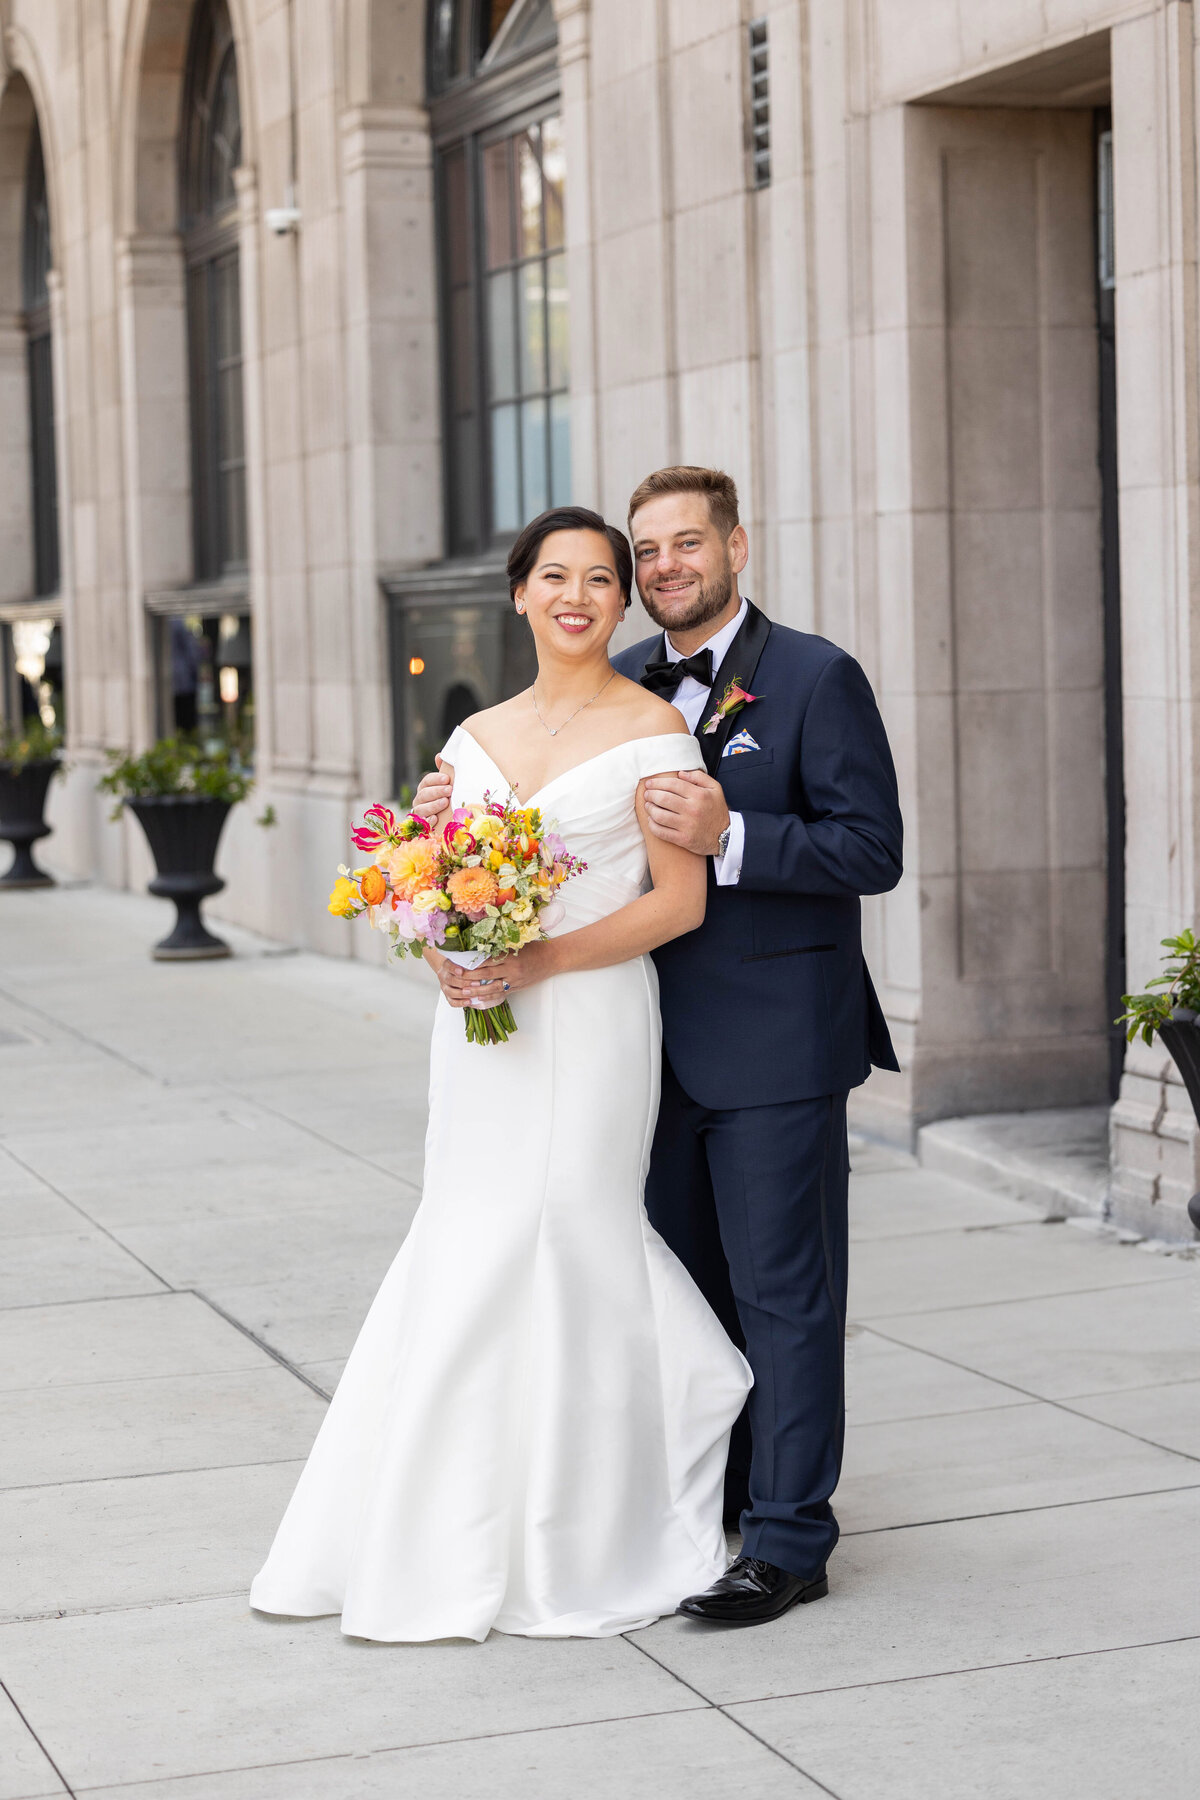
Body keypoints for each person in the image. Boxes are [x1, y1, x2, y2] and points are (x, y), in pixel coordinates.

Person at [250, 506, 751, 1642]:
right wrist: (447, 949)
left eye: (601, 580)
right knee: (467, 1238)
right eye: (555, 576)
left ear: (622, 605)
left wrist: (534, 958)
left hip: (592, 1020)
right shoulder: (471, 738)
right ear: (519, 593)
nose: (578, 596)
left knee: (573, 1234)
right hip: (481, 1032)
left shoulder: (659, 732)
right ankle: (437, 1527)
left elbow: (677, 902)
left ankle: (579, 1532)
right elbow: (426, 875)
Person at [416, 467, 903, 1626]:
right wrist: (450, 822)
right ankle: (725, 1497)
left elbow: (871, 849)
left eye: (689, 543)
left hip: (777, 1039)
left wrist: (740, 834)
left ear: (738, 544)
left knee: (785, 1294)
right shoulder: (623, 682)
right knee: (684, 1292)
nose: (666, 565)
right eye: (649, 550)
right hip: (631, 1045)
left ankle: (788, 1541)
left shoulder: (815, 676)